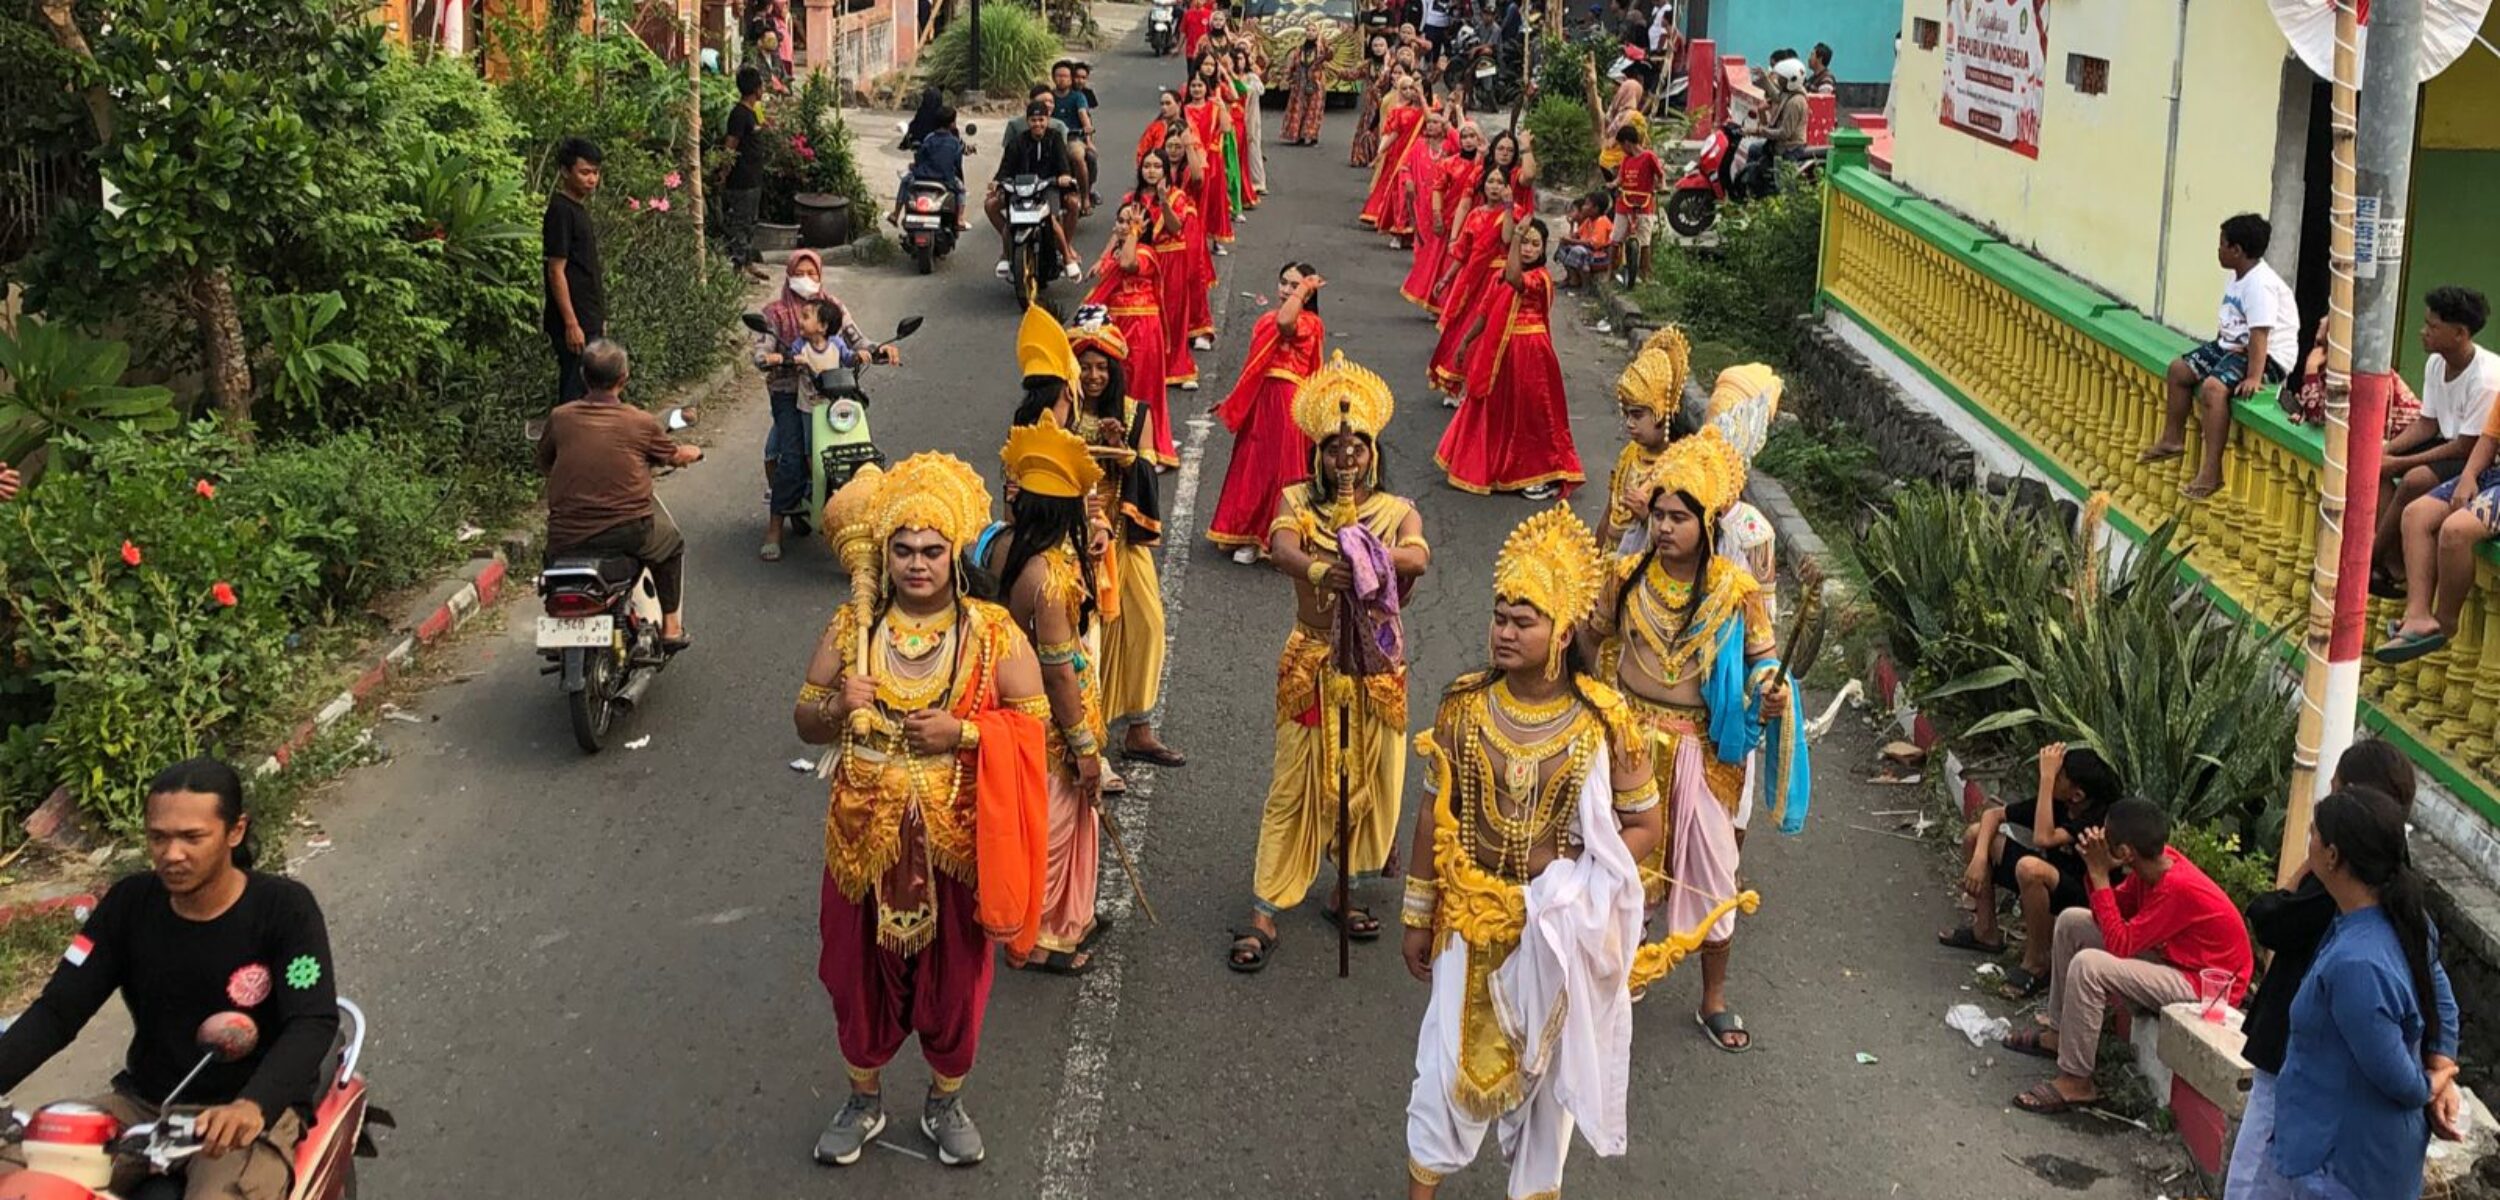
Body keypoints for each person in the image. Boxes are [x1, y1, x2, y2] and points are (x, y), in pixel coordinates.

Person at [796, 452, 1051, 1169]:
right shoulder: (853, 626)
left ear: (953, 555)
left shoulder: (995, 632)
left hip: (955, 842)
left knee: (956, 981)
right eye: (903, 550)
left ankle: (945, 1100)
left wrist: (964, 733)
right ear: (885, 553)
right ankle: (864, 1097)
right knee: (854, 976)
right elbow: (803, 717)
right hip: (860, 839)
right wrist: (839, 707)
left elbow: (1032, 731)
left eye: (931, 551)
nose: (916, 564)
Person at [1401, 506, 1660, 1200]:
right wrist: (1416, 909)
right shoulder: (1463, 707)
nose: (1505, 632)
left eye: (1524, 620)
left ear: (1564, 631)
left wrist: (1574, 887)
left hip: (1554, 935)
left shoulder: (1605, 722)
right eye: (1499, 617)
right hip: (1469, 917)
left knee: (1548, 1099)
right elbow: (1435, 812)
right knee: (1442, 1074)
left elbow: (1644, 827)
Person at [0, 757, 339, 1200]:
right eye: (158, 837)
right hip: (142, 1108)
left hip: (241, 1118)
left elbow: (312, 1022)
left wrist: (253, 1106)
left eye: (192, 837)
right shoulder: (129, 904)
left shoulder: (285, 909)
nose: (172, 854)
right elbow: (58, 1012)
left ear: (234, 832)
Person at [1595, 427, 1804, 1046]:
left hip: (1699, 752)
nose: (1664, 527)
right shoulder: (1625, 575)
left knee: (1714, 873)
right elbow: (1590, 640)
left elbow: (1764, 657)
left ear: (1706, 523)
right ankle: (1613, 980)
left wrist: (1770, 686)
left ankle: (1713, 998)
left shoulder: (1733, 594)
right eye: (1658, 514)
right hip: (1628, 745)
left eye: (1678, 517)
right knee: (1617, 872)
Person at [1227, 355, 1428, 972]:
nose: (1347, 459)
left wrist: (1369, 562)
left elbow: (1417, 557)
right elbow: (1281, 545)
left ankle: (1343, 890)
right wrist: (1321, 567)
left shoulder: (1396, 511)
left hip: (1374, 670)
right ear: (1318, 452)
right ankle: (1265, 909)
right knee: (1294, 785)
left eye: (1358, 447)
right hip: (1312, 662)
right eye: (1336, 447)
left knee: (1369, 786)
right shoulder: (1296, 501)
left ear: (1374, 452)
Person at [2226, 743, 2463, 1200]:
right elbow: (2439, 996)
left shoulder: (2357, 957)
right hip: (2333, 1123)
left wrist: (2434, 1080)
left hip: (2333, 1142)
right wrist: (2443, 1065)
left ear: (2336, 853)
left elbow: (2400, 1078)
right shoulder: (2382, 907)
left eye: (2317, 829)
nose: (2307, 838)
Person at [2004, 797, 2257, 1114]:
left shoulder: (2176, 887)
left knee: (2090, 966)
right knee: (2071, 921)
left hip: (2205, 986)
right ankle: (2057, 1033)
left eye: (2105, 839)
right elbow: (2107, 913)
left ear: (2125, 853)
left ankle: (2077, 1081)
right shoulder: (2152, 867)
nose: (2099, 841)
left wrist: (2099, 876)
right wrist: (2096, 872)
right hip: (2175, 960)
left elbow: (2120, 944)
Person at [992, 317, 1111, 974]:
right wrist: (1086, 748)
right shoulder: (1053, 579)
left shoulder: (1006, 548)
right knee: (1057, 823)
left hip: (1011, 713)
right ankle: (1039, 937)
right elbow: (1061, 672)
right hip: (1046, 725)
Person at [1059, 317, 1187, 770]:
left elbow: (1149, 475)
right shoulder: (1061, 414)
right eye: (1086, 367)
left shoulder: (1135, 414)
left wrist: (1124, 451)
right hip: (1074, 540)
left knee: (1147, 626)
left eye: (1102, 368)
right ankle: (1085, 732)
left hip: (1122, 539)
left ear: (1115, 372)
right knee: (1087, 637)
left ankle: (1139, 729)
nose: (1094, 376)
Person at [538, 339, 701, 648]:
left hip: (565, 533)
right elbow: (673, 455)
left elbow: (544, 462)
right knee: (671, 545)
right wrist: (690, 453)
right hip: (627, 530)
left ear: (584, 376)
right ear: (623, 379)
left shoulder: (560, 417)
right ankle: (671, 628)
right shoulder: (639, 422)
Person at [1938, 743, 2125, 997]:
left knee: (2030, 868)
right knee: (1976, 835)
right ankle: (1985, 932)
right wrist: (1980, 858)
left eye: (2058, 776)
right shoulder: (2060, 803)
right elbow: (1993, 816)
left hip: (2084, 895)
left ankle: (2037, 961)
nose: (2048, 778)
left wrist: (2047, 779)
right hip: (2052, 878)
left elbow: (2043, 838)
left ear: (2077, 795)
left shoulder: (2098, 815)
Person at [2139, 213, 2298, 499]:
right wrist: (2214, 351)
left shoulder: (2259, 285)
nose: (2218, 250)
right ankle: (2172, 439)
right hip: (2233, 345)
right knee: (2179, 370)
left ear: (2236, 250)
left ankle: (2211, 472)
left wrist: (2253, 376)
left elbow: (2260, 334)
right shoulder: (2236, 276)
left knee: (2213, 390)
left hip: (2268, 356)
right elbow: (2230, 320)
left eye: (2222, 244)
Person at [1439, 217, 1584, 501]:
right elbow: (1485, 312)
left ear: (1543, 250)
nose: (1528, 249)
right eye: (1525, 242)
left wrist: (1515, 239)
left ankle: (1542, 472)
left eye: (1534, 244)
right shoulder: (1500, 276)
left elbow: (1517, 280)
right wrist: (1466, 342)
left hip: (1531, 352)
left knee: (1530, 415)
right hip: (1502, 353)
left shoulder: (1540, 278)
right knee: (1498, 411)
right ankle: (1498, 467)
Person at [1208, 264, 1329, 562]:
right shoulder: (1264, 319)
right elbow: (1254, 368)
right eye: (1284, 283)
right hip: (1261, 399)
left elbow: (1286, 322)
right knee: (1252, 468)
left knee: (1281, 470)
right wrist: (1234, 397)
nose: (1287, 290)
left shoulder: (1310, 322)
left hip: (1288, 403)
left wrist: (1303, 292)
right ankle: (1246, 532)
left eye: (1295, 285)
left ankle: (1271, 539)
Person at [2382, 380, 2500, 662]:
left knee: (2455, 531)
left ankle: (2445, 622)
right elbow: (2489, 438)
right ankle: (2418, 614)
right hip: (2493, 472)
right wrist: (2469, 476)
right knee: (2415, 515)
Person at [1080, 200, 1172, 465]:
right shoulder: (1114, 253)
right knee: (1117, 384)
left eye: (1130, 221)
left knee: (1141, 386)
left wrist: (1133, 232)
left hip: (1142, 330)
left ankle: (1147, 448)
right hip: (1116, 328)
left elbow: (1129, 263)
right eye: (1121, 221)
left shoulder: (1144, 253)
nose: (1124, 226)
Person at [1600, 327, 1684, 552]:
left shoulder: (1678, 467)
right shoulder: (1629, 454)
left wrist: (1646, 516)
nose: (1629, 423)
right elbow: (1610, 512)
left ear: (1662, 413)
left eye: (1637, 415)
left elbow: (1682, 542)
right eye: (1626, 414)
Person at [988, 100, 1083, 281]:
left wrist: (1063, 176)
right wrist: (997, 182)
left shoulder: (1055, 139)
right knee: (1002, 214)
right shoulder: (1017, 142)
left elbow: (1063, 166)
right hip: (1020, 189)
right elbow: (1005, 168)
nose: (1037, 124)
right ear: (1027, 121)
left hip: (1048, 188)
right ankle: (1007, 254)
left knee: (1052, 219)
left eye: (1041, 119)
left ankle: (1067, 257)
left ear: (1047, 120)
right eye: (1033, 120)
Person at [542, 137, 606, 404]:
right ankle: (564, 444)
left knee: (589, 389)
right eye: (584, 172)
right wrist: (571, 323)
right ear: (565, 172)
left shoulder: (578, 209)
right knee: (573, 393)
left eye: (595, 172)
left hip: (588, 316)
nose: (592, 179)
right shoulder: (560, 211)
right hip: (574, 320)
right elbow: (556, 270)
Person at [717, 67, 771, 280]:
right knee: (741, 224)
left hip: (753, 178)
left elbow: (760, 126)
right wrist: (724, 171)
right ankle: (738, 268)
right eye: (761, 86)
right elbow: (731, 145)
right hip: (741, 181)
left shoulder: (753, 111)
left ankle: (748, 263)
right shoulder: (738, 115)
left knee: (750, 223)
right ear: (756, 89)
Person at [1359, 79, 1429, 232]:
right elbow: (1393, 134)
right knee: (1390, 185)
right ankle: (1383, 214)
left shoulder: (1430, 111)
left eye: (1413, 88)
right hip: (1397, 154)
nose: (1410, 92)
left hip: (1418, 156)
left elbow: (1431, 122)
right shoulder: (1399, 111)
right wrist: (1380, 152)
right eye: (1405, 88)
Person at [1738, 57, 1809, 200]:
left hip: (1789, 148)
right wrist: (1765, 80)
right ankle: (1752, 190)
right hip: (1779, 144)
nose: (1778, 80)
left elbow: (1784, 133)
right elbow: (1777, 97)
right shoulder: (1789, 93)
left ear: (1791, 80)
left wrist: (1758, 131)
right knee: (1754, 150)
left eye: (1781, 78)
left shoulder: (1795, 102)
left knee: (1782, 185)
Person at [1183, 76, 1239, 250]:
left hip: (1213, 158)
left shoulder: (1214, 107)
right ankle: (1194, 239)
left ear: (1206, 88)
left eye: (1200, 85)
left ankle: (1216, 240)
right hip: (1192, 159)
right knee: (1193, 200)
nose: (1197, 89)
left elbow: (1227, 128)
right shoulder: (1184, 110)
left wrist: (1222, 107)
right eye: (1193, 86)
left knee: (1215, 200)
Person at [891, 104, 968, 231]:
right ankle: (959, 219)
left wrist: (914, 166)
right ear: (952, 124)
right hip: (944, 179)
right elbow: (957, 164)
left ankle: (895, 214)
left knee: (905, 182)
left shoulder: (929, 138)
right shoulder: (954, 142)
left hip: (922, 176)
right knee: (961, 191)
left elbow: (920, 157)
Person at [1608, 123, 1662, 284]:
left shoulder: (1649, 157)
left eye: (1621, 145)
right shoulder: (1626, 159)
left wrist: (1660, 186)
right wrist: (1613, 184)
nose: (1621, 149)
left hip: (1644, 204)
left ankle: (1645, 273)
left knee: (1644, 240)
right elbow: (1620, 179)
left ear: (1627, 143)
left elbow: (1660, 176)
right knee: (1616, 238)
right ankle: (1610, 272)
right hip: (1625, 202)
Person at [1050, 61, 1097, 212]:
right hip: (1051, 139)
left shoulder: (1078, 97)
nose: (1062, 79)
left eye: (1065, 76)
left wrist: (1088, 139)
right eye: (1058, 76)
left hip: (1073, 139)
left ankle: (1085, 197)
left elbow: (1083, 115)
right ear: (1053, 77)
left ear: (1071, 78)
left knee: (1078, 156)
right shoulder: (1048, 97)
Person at [1554, 192, 1615, 289]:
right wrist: (1569, 233)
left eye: (1587, 204)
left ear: (1596, 209)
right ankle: (1572, 278)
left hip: (1601, 256)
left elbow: (1593, 244)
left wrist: (1571, 241)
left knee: (1578, 251)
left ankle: (1585, 286)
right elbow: (1576, 236)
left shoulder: (1602, 221)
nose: (1583, 207)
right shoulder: (1589, 220)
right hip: (1590, 252)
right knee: (1564, 246)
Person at [1282, 27, 1331, 146]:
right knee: (1299, 108)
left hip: (1316, 84)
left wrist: (1325, 44)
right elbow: (1291, 65)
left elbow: (1330, 55)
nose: (1310, 32)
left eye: (1314, 30)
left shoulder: (1321, 50)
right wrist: (1285, 79)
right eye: (1308, 30)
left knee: (1314, 110)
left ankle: (1312, 136)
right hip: (1300, 83)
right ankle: (1298, 135)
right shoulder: (1299, 50)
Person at [1352, 36, 1395, 167]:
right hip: (1370, 103)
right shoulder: (1367, 64)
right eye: (1375, 45)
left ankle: (1380, 159)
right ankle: (1362, 157)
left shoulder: (1392, 64)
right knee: (1366, 128)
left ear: (1386, 48)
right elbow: (1352, 74)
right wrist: (1335, 71)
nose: (1378, 48)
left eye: (1381, 45)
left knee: (1383, 129)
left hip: (1386, 101)